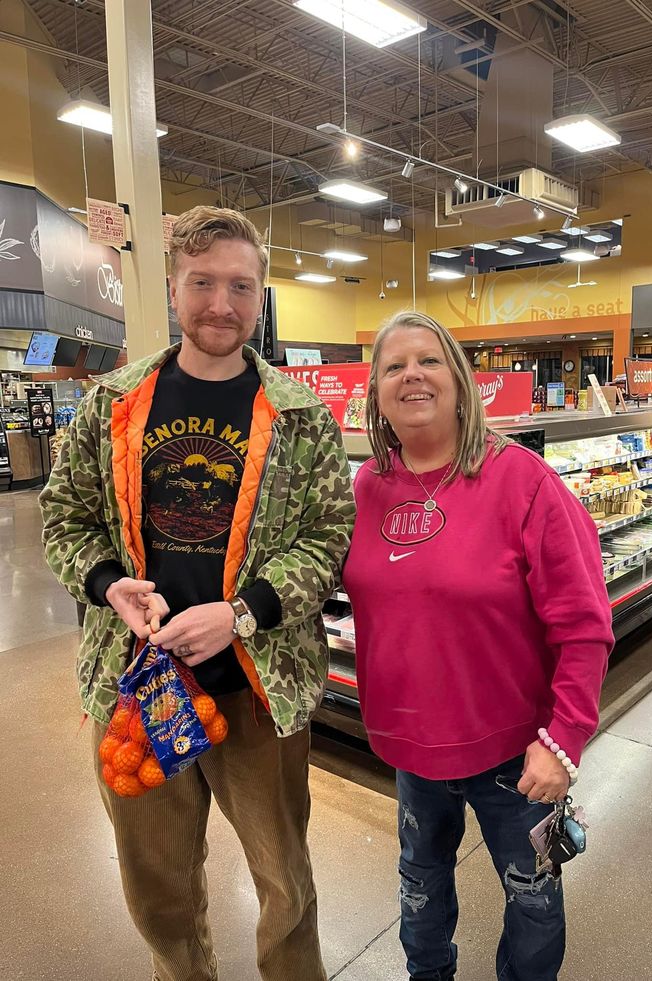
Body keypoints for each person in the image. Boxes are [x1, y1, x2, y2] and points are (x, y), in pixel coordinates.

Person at [40, 205, 355, 981]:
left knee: (285, 882)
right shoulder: (113, 405)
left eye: (241, 286)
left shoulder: (300, 416)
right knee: (158, 888)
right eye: (204, 283)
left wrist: (243, 612)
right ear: (174, 288)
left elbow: (328, 535)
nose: (222, 303)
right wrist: (111, 587)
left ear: (261, 294)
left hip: (259, 689)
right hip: (138, 685)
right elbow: (64, 518)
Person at [342, 311, 614, 981]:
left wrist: (563, 740)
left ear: (461, 382)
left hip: (516, 755)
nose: (412, 374)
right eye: (394, 364)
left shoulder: (523, 481)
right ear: (375, 390)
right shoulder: (366, 488)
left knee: (533, 898)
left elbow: (584, 623)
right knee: (420, 890)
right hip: (412, 749)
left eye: (429, 360)